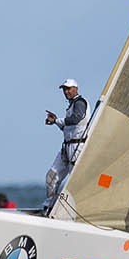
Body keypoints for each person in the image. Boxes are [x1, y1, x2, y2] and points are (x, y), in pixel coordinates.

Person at [43, 78, 89, 208]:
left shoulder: (80, 102)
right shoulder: (71, 105)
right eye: (64, 89)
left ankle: (78, 209)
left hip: (77, 147)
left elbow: (76, 119)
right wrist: (55, 121)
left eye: (68, 89)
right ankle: (49, 207)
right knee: (51, 177)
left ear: (76, 89)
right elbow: (67, 128)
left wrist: (58, 120)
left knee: (75, 182)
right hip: (66, 147)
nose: (66, 92)